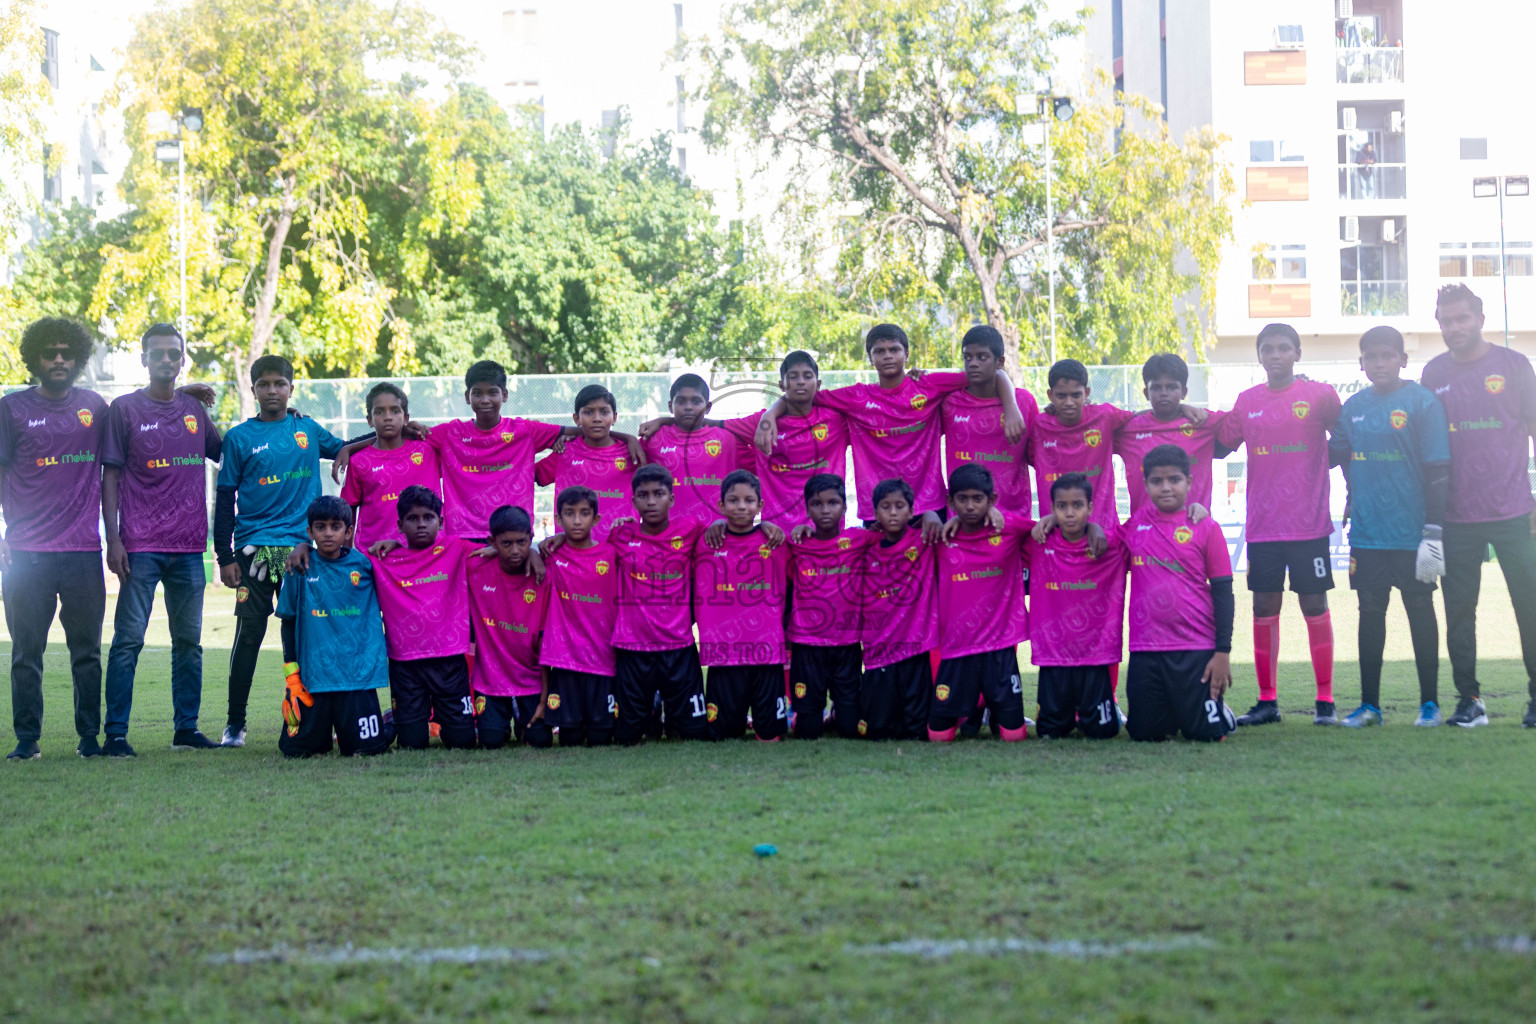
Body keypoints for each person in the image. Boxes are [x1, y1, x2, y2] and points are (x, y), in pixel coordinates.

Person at [214, 354, 359, 748]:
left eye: (280, 383)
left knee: (305, 635)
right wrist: (224, 556)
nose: (273, 390)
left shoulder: (306, 428)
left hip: (302, 553)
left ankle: (313, 718)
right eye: (265, 384)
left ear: (291, 388)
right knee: (249, 635)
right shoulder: (239, 437)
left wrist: (403, 434)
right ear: (254, 389)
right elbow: (224, 498)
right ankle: (234, 725)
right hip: (254, 551)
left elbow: (346, 448)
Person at [754, 324, 1025, 523]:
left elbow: (987, 374)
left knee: (931, 586)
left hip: (929, 506)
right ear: (870, 359)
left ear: (906, 354)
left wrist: (1011, 407)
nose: (887, 356)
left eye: (894, 349)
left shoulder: (928, 385)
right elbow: (803, 395)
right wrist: (770, 414)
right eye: (879, 351)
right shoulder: (857, 397)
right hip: (878, 507)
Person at [100, 323, 223, 756]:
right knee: (129, 640)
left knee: (188, 644)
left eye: (175, 353)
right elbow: (110, 476)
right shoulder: (124, 409)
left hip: (191, 547)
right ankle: (115, 734)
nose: (167, 360)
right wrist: (113, 539)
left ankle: (185, 729)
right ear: (144, 358)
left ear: (182, 358)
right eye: (158, 354)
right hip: (141, 545)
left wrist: (285, 420)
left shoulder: (193, 409)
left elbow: (225, 451)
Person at [1216, 323, 1343, 727]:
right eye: (1267, 348)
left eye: (1284, 348)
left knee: (1315, 605)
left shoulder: (1320, 396)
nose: (1275, 355)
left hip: (1309, 525)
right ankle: (1267, 701)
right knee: (1264, 607)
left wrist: (1322, 466)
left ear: (1297, 354)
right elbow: (1219, 445)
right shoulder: (1247, 401)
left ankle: (1325, 701)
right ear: (1259, 356)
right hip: (1264, 526)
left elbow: (1346, 437)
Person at [1421, 283, 1536, 728]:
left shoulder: (1514, 365)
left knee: (1529, 607)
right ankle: (1470, 701)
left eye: (1462, 318)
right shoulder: (1432, 374)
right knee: (1458, 613)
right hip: (1456, 517)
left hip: (1514, 513)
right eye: (1446, 321)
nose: (1454, 327)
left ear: (1480, 319)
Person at [1329, 326, 1451, 728]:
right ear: (1361, 363)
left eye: (1387, 356)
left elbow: (1438, 470)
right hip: (1367, 534)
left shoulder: (1422, 402)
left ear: (1403, 359)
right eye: (1371, 357)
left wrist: (1434, 530)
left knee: (1421, 610)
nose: (1379, 363)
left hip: (1419, 535)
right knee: (1370, 613)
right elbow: (1337, 455)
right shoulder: (1352, 407)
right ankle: (1369, 707)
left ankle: (1430, 705)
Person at [0, 318, 109, 760]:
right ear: (35, 359)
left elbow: (139, 425)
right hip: (26, 554)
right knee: (26, 652)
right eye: (50, 352)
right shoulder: (10, 409)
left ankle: (89, 739)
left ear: (79, 358)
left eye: (66, 352)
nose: (59, 359)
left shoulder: (96, 407)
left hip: (83, 551)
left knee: (87, 652)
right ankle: (27, 741)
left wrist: (185, 398)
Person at [644, 351, 850, 530]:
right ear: (781, 384)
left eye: (807, 376)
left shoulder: (838, 419)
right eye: (793, 376)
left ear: (818, 383)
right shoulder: (759, 422)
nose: (801, 382)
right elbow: (709, 422)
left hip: (828, 526)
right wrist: (666, 421)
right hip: (778, 529)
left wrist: (771, 411)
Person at [1123, 445, 1236, 742]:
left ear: (1188, 481)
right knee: (1144, 736)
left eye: (1174, 479)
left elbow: (1224, 592)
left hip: (1194, 648)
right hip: (1146, 649)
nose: (1166, 487)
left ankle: (1219, 712)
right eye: (1157, 481)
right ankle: (1176, 708)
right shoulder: (1134, 525)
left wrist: (1222, 652)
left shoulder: (1206, 526)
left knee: (1207, 736)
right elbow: (1098, 545)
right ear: (1146, 484)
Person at [274, 496, 393, 757]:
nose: (328, 533)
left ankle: (392, 720)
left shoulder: (366, 565)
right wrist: (291, 674)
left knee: (368, 749)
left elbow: (403, 561)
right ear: (310, 531)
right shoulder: (298, 566)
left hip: (356, 675)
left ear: (348, 531)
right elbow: (287, 620)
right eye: (320, 527)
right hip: (312, 677)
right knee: (297, 751)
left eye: (335, 526)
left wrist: (395, 543)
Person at [366, 486, 478, 750]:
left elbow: (501, 551)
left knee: (461, 742)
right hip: (405, 664)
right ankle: (396, 719)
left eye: (428, 518)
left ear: (440, 522)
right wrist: (303, 546)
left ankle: (445, 718)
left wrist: (534, 551)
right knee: (412, 743)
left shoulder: (458, 549)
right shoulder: (384, 558)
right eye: (412, 519)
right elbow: (341, 561)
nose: (421, 524)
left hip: (449, 660)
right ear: (400, 525)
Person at [929, 464, 1035, 743]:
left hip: (1000, 646)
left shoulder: (1008, 527)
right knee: (938, 736)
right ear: (951, 502)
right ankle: (976, 703)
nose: (970, 506)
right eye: (962, 499)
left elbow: (1047, 527)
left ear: (992, 500)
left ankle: (990, 704)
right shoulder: (941, 537)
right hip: (956, 646)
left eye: (978, 499)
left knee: (1014, 736)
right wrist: (930, 514)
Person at [606, 464, 710, 744]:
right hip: (632, 647)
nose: (651, 501)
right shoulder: (620, 535)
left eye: (659, 494)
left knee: (696, 734)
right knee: (627, 738)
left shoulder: (692, 528)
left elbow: (731, 530)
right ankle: (651, 715)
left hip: (678, 646)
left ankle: (672, 718)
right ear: (633, 501)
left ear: (672, 499)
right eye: (643, 495)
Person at [1026, 474, 1126, 739]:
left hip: (1094, 655)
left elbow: (1138, 530)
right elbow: (1002, 529)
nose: (1070, 513)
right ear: (1052, 508)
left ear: (1090, 508)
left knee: (1103, 733)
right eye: (1062, 506)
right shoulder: (1038, 541)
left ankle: (1108, 712)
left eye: (1077, 505)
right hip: (1053, 654)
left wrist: (1095, 528)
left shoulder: (1107, 544)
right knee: (1049, 733)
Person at [694, 469, 790, 741]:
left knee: (770, 735)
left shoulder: (776, 541)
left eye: (749, 500)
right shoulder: (705, 542)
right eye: (733, 500)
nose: (741, 506)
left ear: (760, 506)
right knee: (723, 734)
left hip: (766, 649)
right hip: (723, 651)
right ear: (721, 505)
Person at [786, 474, 875, 739]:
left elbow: (895, 531)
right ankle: (801, 714)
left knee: (850, 730)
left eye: (833, 503)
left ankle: (838, 711)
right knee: (807, 732)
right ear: (807, 509)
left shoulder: (860, 539)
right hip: (807, 645)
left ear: (844, 508)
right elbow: (765, 537)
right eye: (817, 504)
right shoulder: (796, 544)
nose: (825, 510)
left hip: (846, 644)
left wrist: (930, 517)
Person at [539, 486, 621, 747]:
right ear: (558, 518)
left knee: (600, 737)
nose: (576, 520)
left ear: (595, 519)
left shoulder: (611, 554)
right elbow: (516, 552)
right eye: (569, 514)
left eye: (584, 513)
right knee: (570, 738)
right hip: (565, 659)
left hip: (602, 657)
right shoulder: (551, 554)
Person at [858, 479, 939, 740]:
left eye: (899, 506)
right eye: (885, 506)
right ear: (875, 512)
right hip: (878, 648)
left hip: (915, 647)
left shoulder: (927, 538)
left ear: (911, 510)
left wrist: (931, 514)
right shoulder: (864, 545)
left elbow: (961, 527)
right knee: (877, 731)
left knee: (916, 730)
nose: (893, 512)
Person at [465, 505, 551, 749]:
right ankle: (503, 717)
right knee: (491, 742)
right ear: (492, 541)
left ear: (531, 538)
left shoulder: (544, 572)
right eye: (506, 544)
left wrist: (544, 701)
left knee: (539, 742)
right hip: (490, 680)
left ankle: (522, 714)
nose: (515, 551)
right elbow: (433, 549)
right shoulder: (475, 567)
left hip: (532, 680)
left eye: (522, 542)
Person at [1114, 354, 1232, 516]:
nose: (1164, 393)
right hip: (1145, 534)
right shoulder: (1128, 430)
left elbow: (1241, 418)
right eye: (1156, 388)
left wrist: (1183, 408)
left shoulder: (1202, 422)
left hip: (1194, 531)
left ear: (1183, 392)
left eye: (1171, 387)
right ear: (1146, 393)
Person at [1028, 359, 1135, 531]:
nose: (1069, 402)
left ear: (1086, 393)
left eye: (1076, 395)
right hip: (1057, 532)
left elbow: (1143, 421)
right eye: (1061, 396)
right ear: (1050, 395)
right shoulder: (1039, 426)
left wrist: (1184, 411)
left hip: (1103, 530)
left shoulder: (1105, 416)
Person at [942, 325, 1038, 514]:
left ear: (999, 361)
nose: (973, 363)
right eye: (967, 357)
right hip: (963, 519)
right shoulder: (949, 402)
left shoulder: (1024, 403)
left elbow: (1038, 455)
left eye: (982, 357)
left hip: (1014, 516)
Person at [338, 382, 439, 549]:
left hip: (427, 554)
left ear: (406, 418)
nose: (388, 417)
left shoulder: (428, 451)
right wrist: (346, 559)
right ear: (369, 420)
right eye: (379, 412)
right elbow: (348, 512)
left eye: (395, 411)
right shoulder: (359, 462)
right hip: (376, 555)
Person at [534, 384, 639, 544]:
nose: (597, 418)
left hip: (622, 546)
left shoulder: (632, 452)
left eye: (604, 412)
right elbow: (532, 475)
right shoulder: (564, 451)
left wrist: (631, 438)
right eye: (588, 412)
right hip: (573, 551)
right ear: (576, 418)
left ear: (615, 417)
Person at [638, 374, 742, 523]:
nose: (688, 407)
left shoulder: (728, 440)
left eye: (696, 401)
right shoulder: (653, 440)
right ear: (670, 406)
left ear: (707, 407)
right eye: (681, 401)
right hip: (669, 535)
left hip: (717, 535)